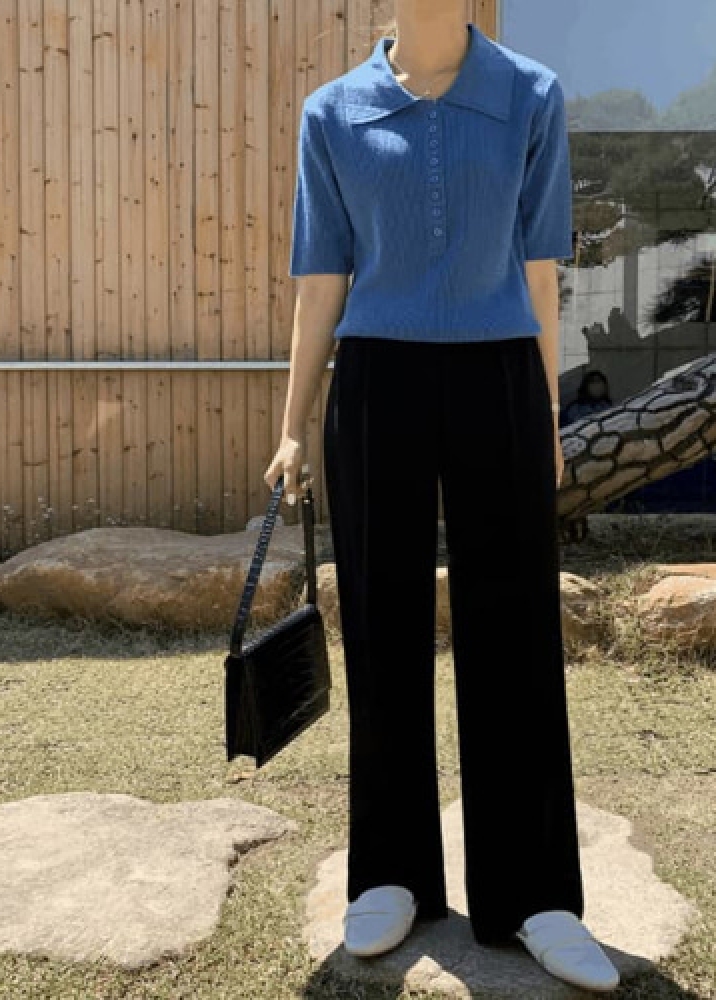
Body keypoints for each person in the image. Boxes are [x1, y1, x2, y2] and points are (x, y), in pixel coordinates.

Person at [265, 3, 619, 992]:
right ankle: (391, 872)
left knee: (514, 629)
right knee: (380, 625)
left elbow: (540, 269)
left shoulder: (531, 96)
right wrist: (293, 423)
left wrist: (546, 412)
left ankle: (535, 893)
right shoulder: (333, 112)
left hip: (498, 374)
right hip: (376, 379)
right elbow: (321, 282)